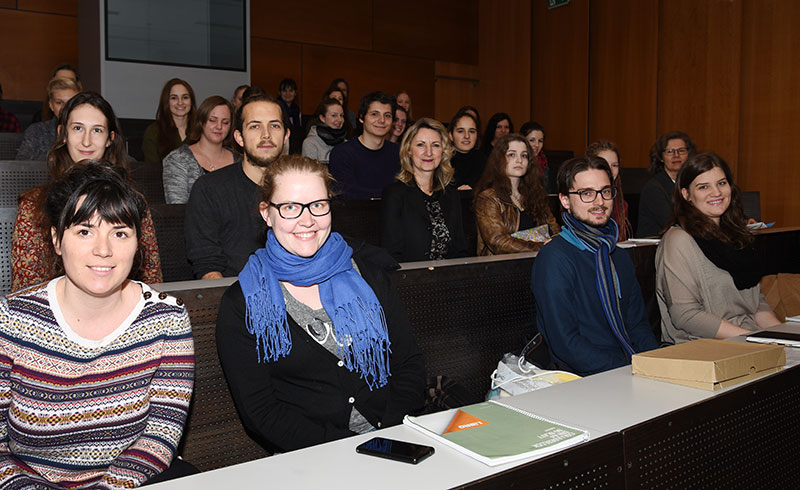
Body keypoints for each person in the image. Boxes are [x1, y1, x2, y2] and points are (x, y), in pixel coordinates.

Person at [0, 161, 195, 488]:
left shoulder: (167, 319)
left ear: (137, 243)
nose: (103, 250)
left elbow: (161, 434)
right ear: (57, 240)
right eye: (85, 231)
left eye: (119, 233)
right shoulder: (12, 320)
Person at [216, 154, 425, 452]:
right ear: (267, 213)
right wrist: (349, 450)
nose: (307, 220)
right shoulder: (242, 304)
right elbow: (261, 412)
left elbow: (409, 364)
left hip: (394, 436)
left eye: (318, 205)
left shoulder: (370, 276)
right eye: (290, 207)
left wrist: (390, 438)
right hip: (311, 455)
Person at [12, 92, 163, 291]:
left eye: (97, 131)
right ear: (62, 134)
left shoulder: (131, 201)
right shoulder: (33, 205)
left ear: (110, 139)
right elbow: (27, 287)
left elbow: (151, 278)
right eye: (77, 128)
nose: (86, 141)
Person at [531, 156, 659, 376]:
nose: (599, 202)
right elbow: (566, 343)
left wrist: (657, 365)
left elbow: (638, 326)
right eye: (586, 193)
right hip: (585, 378)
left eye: (605, 191)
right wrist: (628, 370)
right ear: (564, 200)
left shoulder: (618, 255)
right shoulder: (555, 258)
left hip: (629, 367)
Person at [656, 152, 781, 344]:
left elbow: (756, 304)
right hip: (703, 346)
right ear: (686, 194)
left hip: (747, 337)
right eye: (703, 186)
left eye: (721, 183)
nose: (716, 192)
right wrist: (752, 339)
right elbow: (686, 315)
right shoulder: (678, 240)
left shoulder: (738, 235)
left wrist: (782, 337)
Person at [185, 92, 289, 279]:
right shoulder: (209, 189)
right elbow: (207, 265)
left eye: (274, 126)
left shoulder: (299, 188)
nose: (266, 135)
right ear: (239, 138)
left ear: (286, 135)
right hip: (235, 295)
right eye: (255, 126)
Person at [381, 118, 467, 262]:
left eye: (435, 145)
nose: (428, 153)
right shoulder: (395, 194)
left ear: (443, 151)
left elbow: (460, 248)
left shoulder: (450, 193)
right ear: (408, 150)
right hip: (413, 279)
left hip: (450, 277)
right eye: (421, 145)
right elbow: (392, 253)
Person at [474, 134, 559, 256]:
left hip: (541, 261)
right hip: (504, 268)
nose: (519, 160)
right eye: (512, 155)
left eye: (524, 155)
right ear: (499, 160)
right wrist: (542, 247)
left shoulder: (535, 194)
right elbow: (498, 242)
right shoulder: (488, 198)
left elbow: (555, 230)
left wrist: (553, 245)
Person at [162, 95, 240, 204]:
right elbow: (177, 210)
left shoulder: (241, 161)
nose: (219, 127)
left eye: (225, 122)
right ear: (201, 122)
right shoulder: (177, 160)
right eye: (212, 120)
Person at [328, 91, 400, 199]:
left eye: (387, 115)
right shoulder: (341, 154)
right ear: (361, 118)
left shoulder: (398, 153)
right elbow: (346, 195)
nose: (382, 120)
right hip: (355, 214)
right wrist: (391, 196)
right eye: (374, 114)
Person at [637, 131, 696, 237]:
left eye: (681, 151)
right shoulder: (653, 188)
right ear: (661, 157)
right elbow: (672, 222)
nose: (676, 155)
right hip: (653, 247)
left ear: (689, 154)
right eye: (670, 151)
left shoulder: (692, 183)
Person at [16, 77, 80, 160]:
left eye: (70, 103)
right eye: (59, 102)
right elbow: (21, 161)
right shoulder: (36, 131)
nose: (65, 108)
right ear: (51, 105)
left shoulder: (87, 130)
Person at [586, 139, 633, 241]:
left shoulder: (621, 203)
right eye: (604, 164)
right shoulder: (583, 199)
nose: (610, 170)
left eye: (615, 165)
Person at [142, 78, 196, 164]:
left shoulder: (201, 130)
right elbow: (151, 170)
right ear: (166, 102)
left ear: (191, 101)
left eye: (185, 97)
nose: (180, 102)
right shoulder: (154, 131)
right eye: (174, 98)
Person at [301, 97, 346, 165]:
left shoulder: (346, 143)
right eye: (334, 115)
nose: (340, 119)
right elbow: (310, 172)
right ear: (322, 118)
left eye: (341, 115)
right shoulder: (310, 143)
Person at [449, 109, 486, 190]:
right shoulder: (442, 161)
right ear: (451, 135)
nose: (467, 136)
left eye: (472, 131)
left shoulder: (484, 161)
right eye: (460, 131)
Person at [520, 121, 548, 188]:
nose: (537, 145)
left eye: (540, 141)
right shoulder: (516, 162)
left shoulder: (543, 162)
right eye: (532, 140)